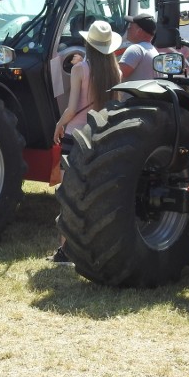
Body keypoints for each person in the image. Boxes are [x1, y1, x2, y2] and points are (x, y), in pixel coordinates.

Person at [50, 20, 121, 264]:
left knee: (68, 194)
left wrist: (59, 124)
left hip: (74, 136)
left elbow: (71, 108)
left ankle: (65, 251)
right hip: (100, 134)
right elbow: (116, 107)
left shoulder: (81, 69)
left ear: (87, 43)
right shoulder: (116, 71)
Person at [118, 14, 160, 81]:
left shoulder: (136, 49)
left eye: (131, 27)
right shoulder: (153, 50)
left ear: (139, 31)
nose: (128, 29)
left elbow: (116, 76)